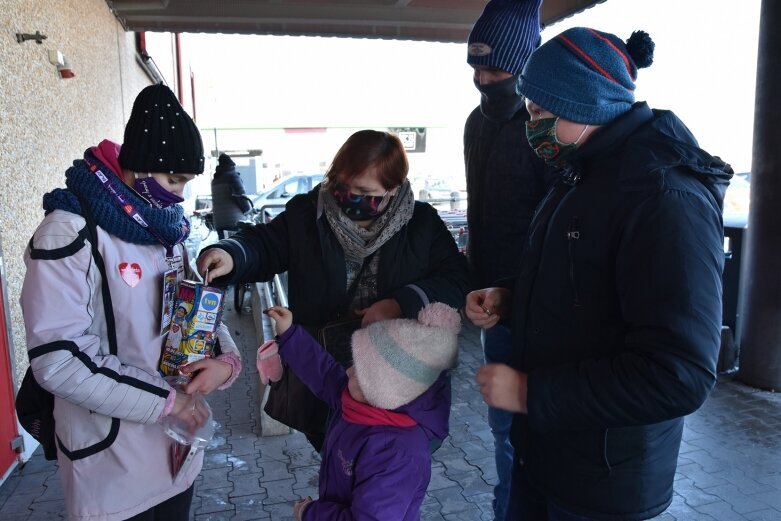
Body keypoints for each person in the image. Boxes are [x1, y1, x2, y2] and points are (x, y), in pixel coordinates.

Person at [466, 28, 732, 520]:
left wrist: (529, 393)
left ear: (586, 105)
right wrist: (509, 298)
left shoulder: (664, 197)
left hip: (605, 480)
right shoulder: (581, 172)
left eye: (543, 113)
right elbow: (581, 285)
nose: (532, 126)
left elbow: (679, 374)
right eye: (530, 111)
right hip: (551, 453)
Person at [20, 83, 242, 521]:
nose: (179, 195)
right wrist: (168, 401)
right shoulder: (68, 232)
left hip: (177, 453)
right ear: (136, 166)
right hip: (111, 471)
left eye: (186, 183)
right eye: (173, 179)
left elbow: (190, 312)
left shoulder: (166, 230)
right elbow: (60, 360)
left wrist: (226, 361)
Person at [198, 129, 469, 450]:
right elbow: (265, 244)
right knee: (336, 463)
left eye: (364, 191)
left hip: (402, 384)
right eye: (341, 186)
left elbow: (456, 282)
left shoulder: (423, 224)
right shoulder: (307, 213)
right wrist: (230, 254)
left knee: (391, 475)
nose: (348, 197)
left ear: (394, 189)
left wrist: (400, 303)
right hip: (325, 375)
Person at [463, 1, 551, 518]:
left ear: (524, 67)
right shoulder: (476, 124)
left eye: (494, 68)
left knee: (537, 431)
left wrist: (519, 291)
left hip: (543, 310)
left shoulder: (545, 129)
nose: (482, 79)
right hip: (491, 307)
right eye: (476, 67)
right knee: (503, 436)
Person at [261, 302, 460, 520]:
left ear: (384, 392)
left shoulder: (398, 454)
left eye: (359, 373)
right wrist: (290, 334)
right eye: (355, 365)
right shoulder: (359, 400)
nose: (348, 372)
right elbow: (324, 373)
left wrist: (311, 513)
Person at [211, 152, 253, 239]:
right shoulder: (232, 177)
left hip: (219, 222)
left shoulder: (215, 180)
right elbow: (240, 197)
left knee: (225, 248)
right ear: (231, 165)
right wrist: (248, 210)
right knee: (236, 247)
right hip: (234, 222)